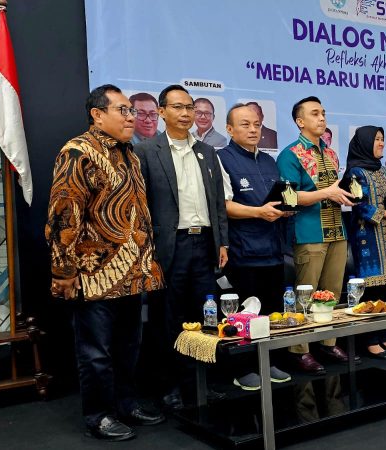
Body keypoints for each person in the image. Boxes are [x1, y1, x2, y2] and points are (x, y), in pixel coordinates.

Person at [46, 84, 165, 441]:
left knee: (129, 347)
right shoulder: (77, 152)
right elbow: (64, 214)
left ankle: (126, 405)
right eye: (123, 110)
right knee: (96, 353)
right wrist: (63, 271)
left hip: (133, 274)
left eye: (132, 111)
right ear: (97, 115)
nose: (131, 117)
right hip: (93, 274)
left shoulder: (131, 155)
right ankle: (99, 416)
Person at [134, 85, 229, 410]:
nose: (186, 113)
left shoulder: (207, 152)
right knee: (167, 318)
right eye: (178, 107)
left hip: (204, 244)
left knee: (205, 315)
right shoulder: (146, 151)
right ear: (162, 112)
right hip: (169, 246)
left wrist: (223, 241)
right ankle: (170, 386)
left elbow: (218, 202)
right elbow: (140, 207)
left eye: (189, 107)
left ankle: (201, 382)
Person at [276, 96, 359, 375]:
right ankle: (299, 349)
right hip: (309, 232)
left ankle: (327, 342)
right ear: (300, 121)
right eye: (314, 113)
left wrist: (346, 195)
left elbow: (334, 192)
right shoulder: (290, 154)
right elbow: (289, 197)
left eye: (323, 113)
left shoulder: (331, 153)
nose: (322, 118)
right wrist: (327, 193)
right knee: (306, 293)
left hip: (337, 230)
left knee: (332, 292)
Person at [215, 103, 292, 390]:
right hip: (243, 251)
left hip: (272, 249)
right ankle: (243, 367)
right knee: (244, 315)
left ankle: (268, 362)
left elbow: (278, 199)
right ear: (229, 129)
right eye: (245, 124)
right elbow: (223, 206)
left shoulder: (269, 161)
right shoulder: (221, 159)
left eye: (257, 124)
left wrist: (285, 209)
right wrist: (259, 212)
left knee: (271, 312)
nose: (253, 130)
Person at [346, 126, 386, 358]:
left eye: (382, 139)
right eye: (376, 139)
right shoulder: (355, 172)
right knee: (372, 290)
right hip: (368, 238)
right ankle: (371, 341)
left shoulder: (382, 169)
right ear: (364, 143)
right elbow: (360, 205)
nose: (381, 143)